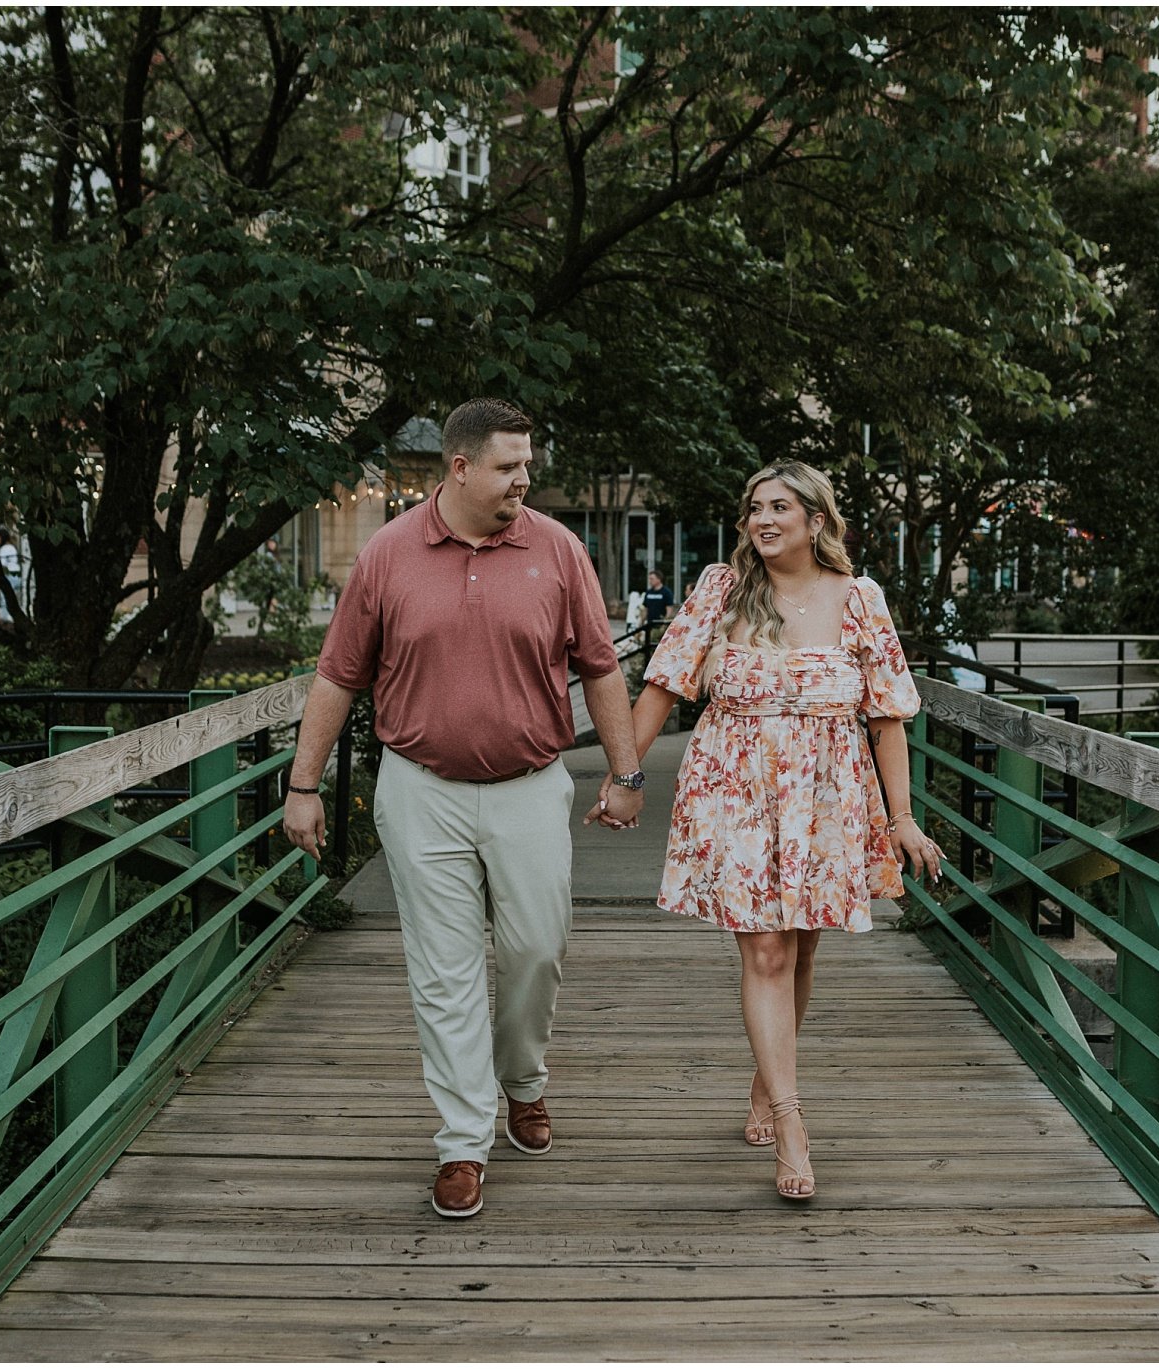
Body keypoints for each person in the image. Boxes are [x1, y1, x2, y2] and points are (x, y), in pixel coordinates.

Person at [283, 397, 645, 1220]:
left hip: (528, 785)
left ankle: (523, 1081)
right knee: (444, 972)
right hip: (420, 789)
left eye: (528, 463)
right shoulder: (386, 554)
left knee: (536, 949)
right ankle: (461, 1140)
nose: (527, 477)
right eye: (511, 465)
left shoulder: (557, 550)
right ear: (459, 468)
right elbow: (339, 675)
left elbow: (600, 667)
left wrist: (627, 772)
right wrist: (302, 786)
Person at [602, 460, 943, 1201]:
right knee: (765, 947)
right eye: (755, 506)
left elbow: (887, 717)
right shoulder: (720, 592)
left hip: (828, 793)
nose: (763, 519)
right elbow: (663, 681)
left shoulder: (859, 599)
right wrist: (626, 779)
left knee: (803, 943)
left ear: (816, 521)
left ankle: (766, 1079)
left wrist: (903, 819)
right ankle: (791, 1120)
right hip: (736, 789)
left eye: (780, 506)